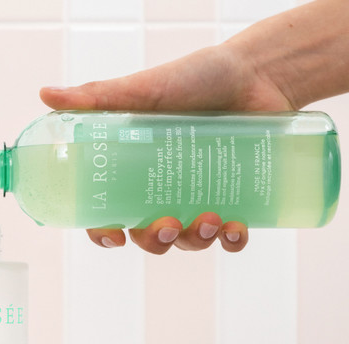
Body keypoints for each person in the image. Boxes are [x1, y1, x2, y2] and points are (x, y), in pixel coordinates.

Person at [40, 0, 349, 255]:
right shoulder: (42, 196)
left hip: (307, 149)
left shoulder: (44, 152)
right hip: (302, 161)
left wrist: (258, 71)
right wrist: (260, 70)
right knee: (184, 218)